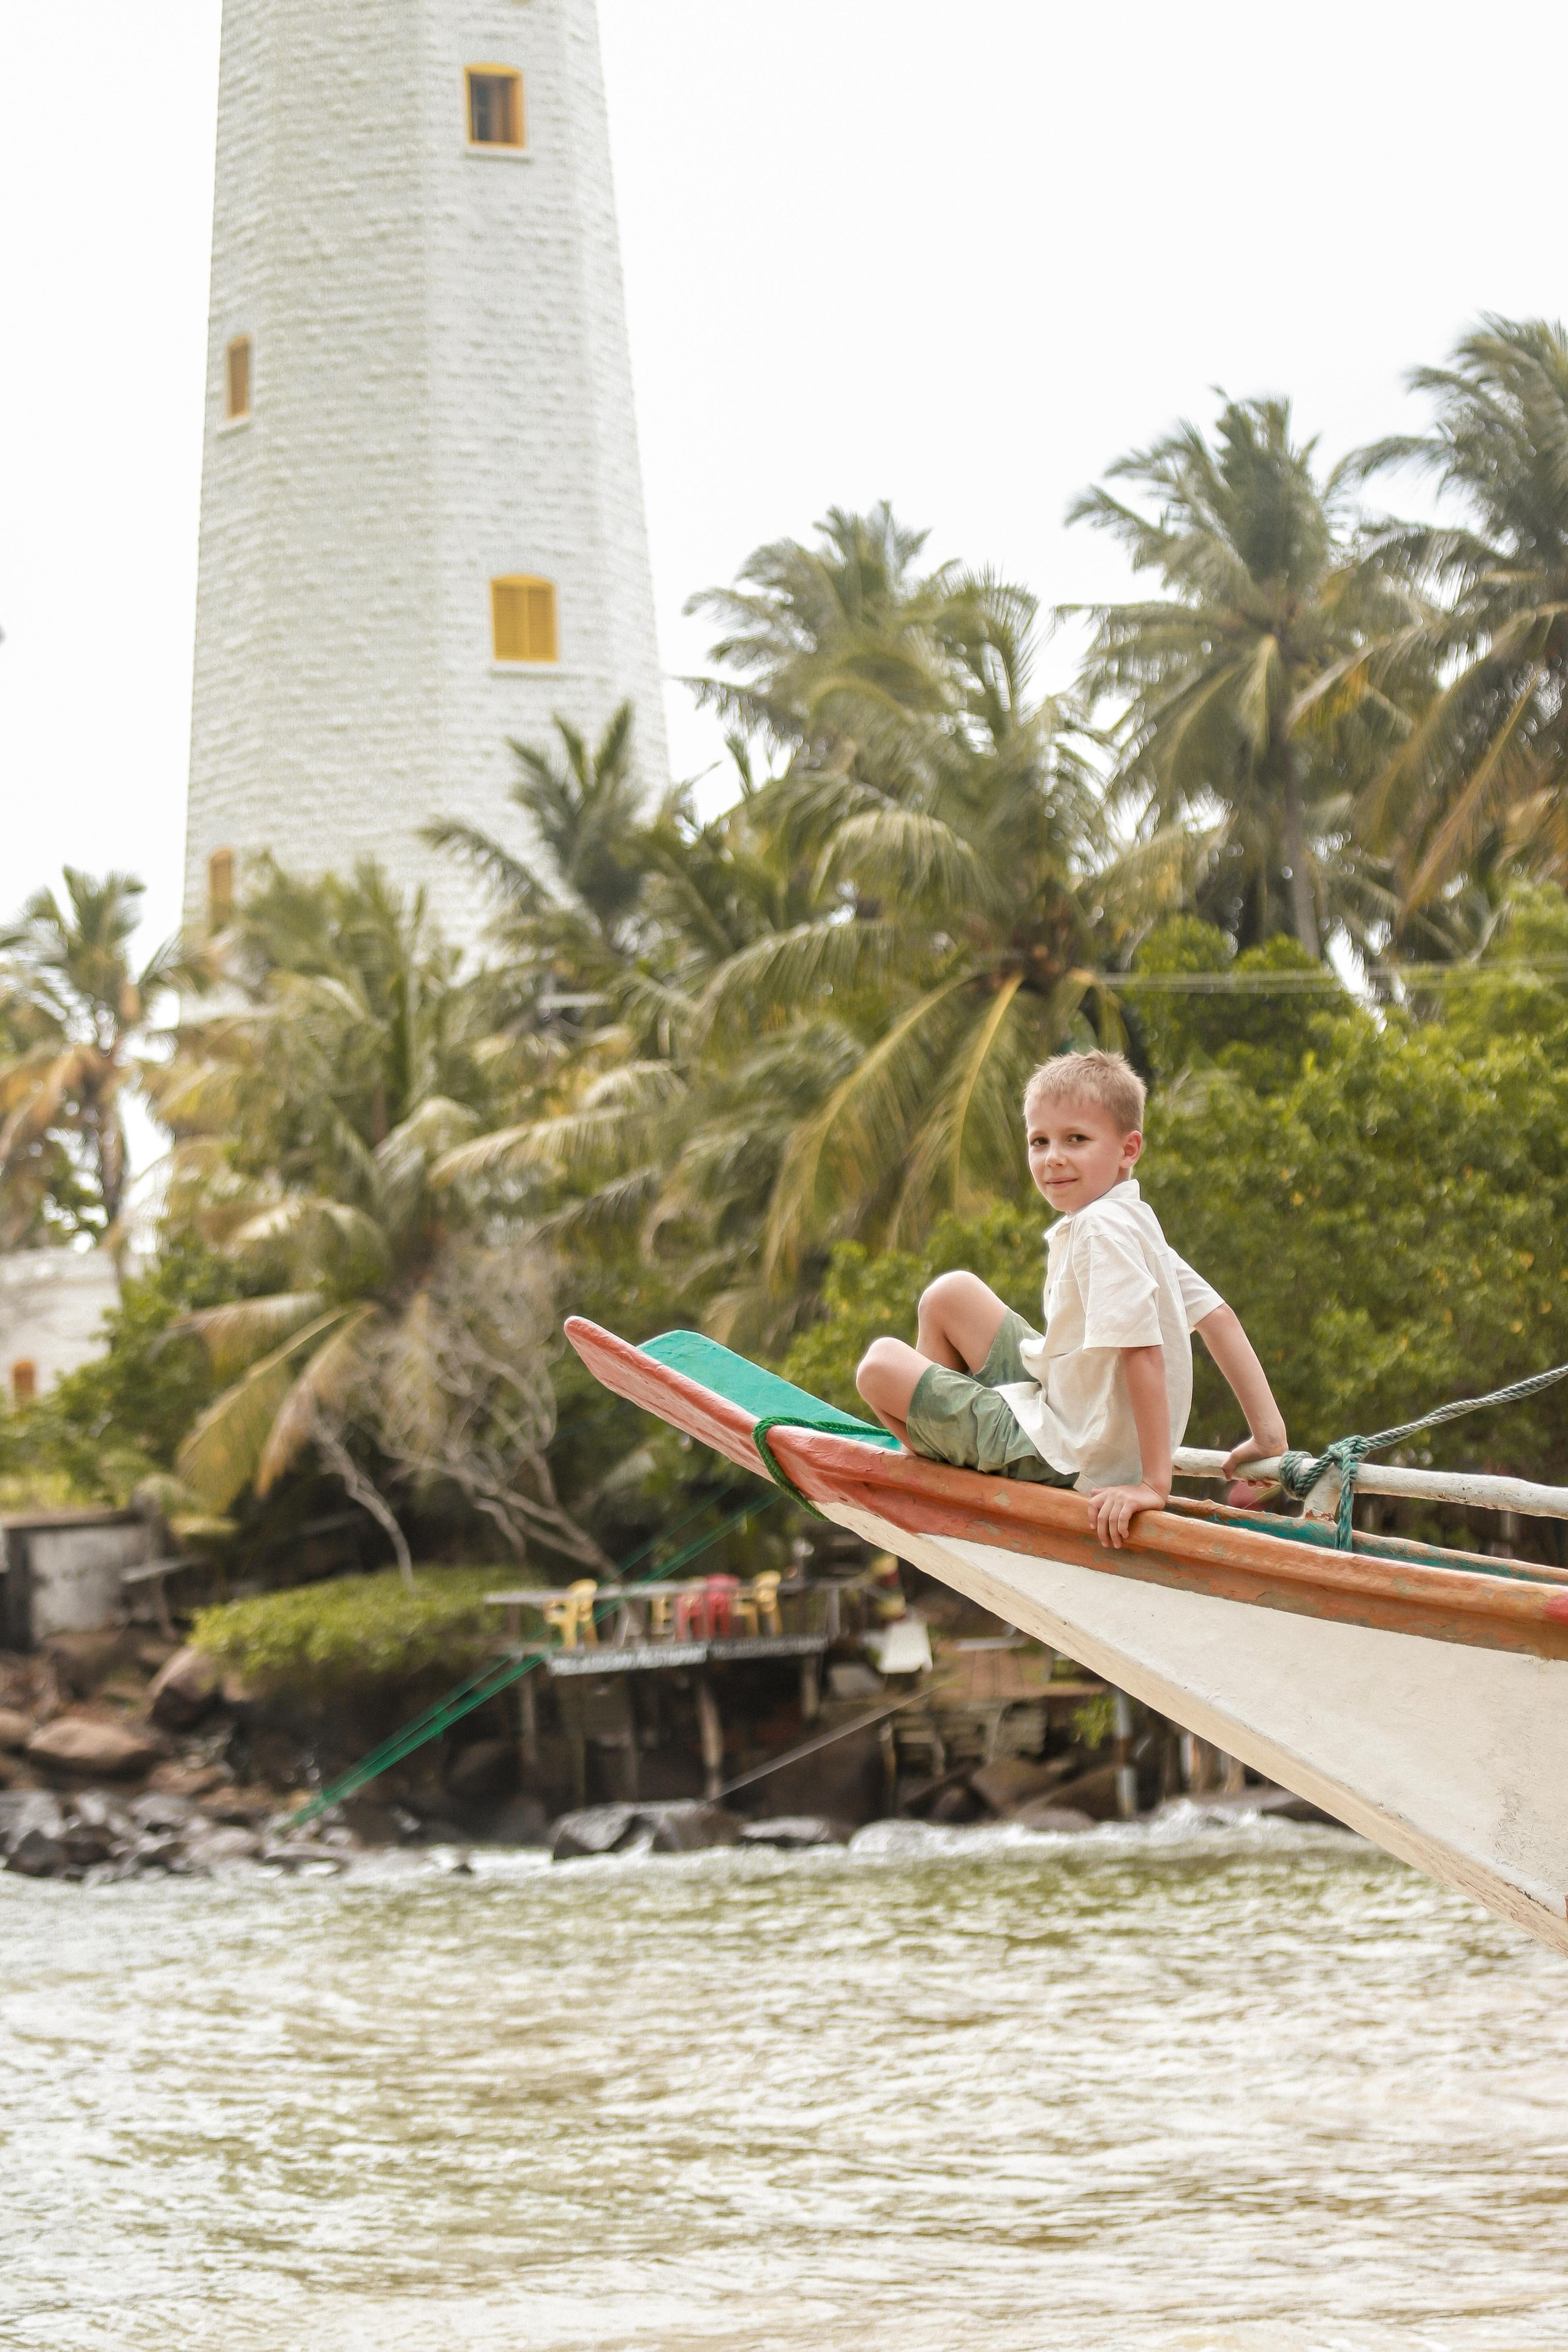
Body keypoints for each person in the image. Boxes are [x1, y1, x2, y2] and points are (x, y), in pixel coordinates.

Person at [854, 1048, 1287, 1551]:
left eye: (1076, 1140)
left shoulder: (1102, 1232)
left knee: (877, 1367)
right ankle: (952, 1434)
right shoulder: (1128, 1217)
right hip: (1062, 1412)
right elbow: (1219, 1318)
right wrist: (1269, 1435)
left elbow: (1142, 1351)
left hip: (1072, 1458)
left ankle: (949, 1462)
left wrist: (1152, 1484)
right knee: (950, 1295)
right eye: (1040, 1141)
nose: (1053, 1157)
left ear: (1129, 1149)